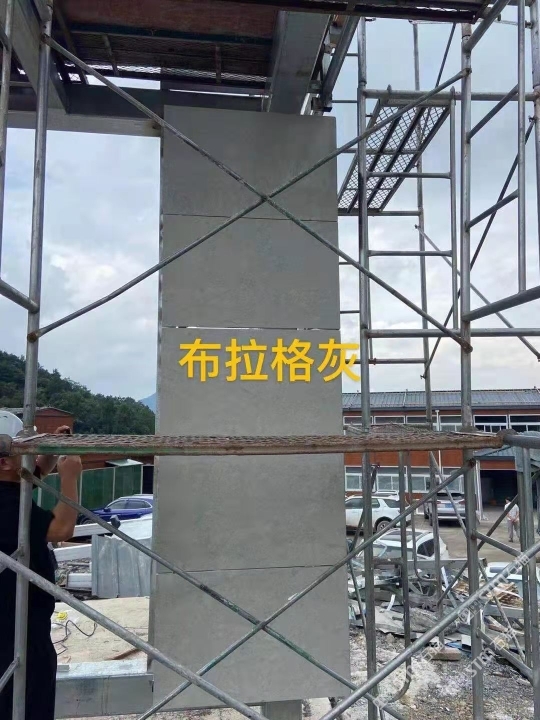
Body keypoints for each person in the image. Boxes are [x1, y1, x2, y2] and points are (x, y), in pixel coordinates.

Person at [0, 412, 82, 720]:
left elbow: (29, 475)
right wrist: (70, 477)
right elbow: (61, 528)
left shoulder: (7, 487)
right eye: (26, 448)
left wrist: (50, 454)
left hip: (14, 621)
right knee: (25, 703)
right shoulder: (7, 505)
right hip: (18, 633)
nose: (33, 453)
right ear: (5, 462)